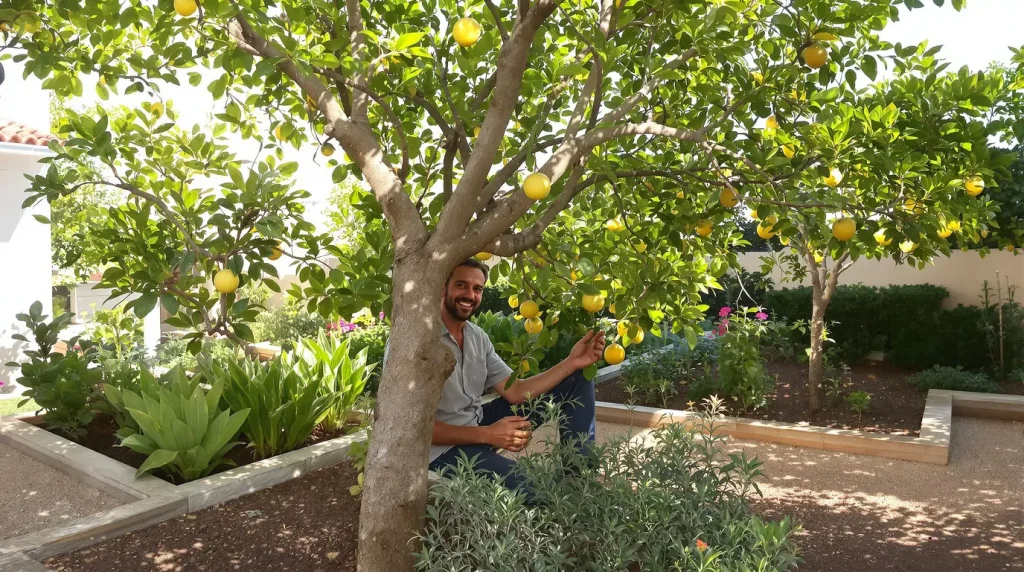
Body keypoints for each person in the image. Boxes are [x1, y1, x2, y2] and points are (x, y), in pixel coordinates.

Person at [426, 258, 605, 491]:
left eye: (477, 289)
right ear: (443, 287)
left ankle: (579, 476)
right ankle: (563, 498)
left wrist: (571, 362)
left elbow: (516, 391)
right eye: (461, 285)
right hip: (442, 451)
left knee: (577, 377)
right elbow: (416, 428)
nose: (470, 295)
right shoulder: (420, 341)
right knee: (540, 488)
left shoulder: (476, 337)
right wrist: (489, 434)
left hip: (477, 423)